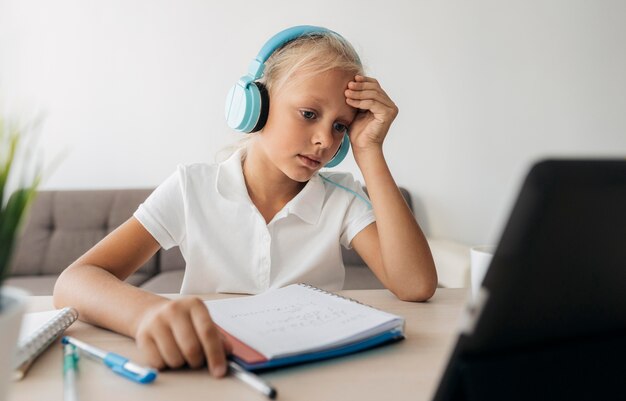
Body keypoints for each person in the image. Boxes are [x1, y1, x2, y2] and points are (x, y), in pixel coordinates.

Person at [53, 25, 437, 379]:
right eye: (308, 114)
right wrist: (147, 314)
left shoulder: (341, 196)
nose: (325, 139)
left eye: (340, 126)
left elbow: (415, 285)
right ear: (257, 106)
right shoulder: (193, 187)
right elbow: (74, 282)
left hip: (313, 375)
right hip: (208, 369)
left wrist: (368, 149)